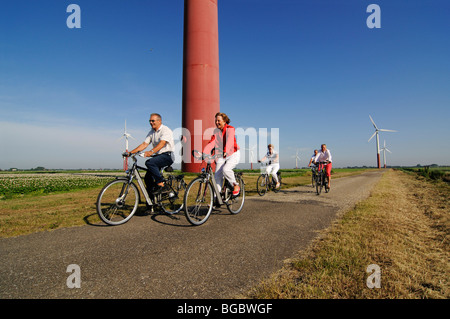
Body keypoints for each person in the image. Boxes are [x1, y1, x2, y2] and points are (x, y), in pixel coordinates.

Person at [126, 113, 174, 195]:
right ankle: (151, 202)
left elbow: (162, 143)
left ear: (159, 121)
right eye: (150, 121)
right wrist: (130, 152)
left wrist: (151, 152)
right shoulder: (151, 132)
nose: (151, 122)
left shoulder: (166, 130)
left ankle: (162, 184)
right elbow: (144, 144)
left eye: (153, 121)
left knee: (149, 162)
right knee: (148, 179)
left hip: (167, 155)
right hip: (158, 156)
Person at [203, 112, 241, 196]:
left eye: (218, 120)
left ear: (224, 121)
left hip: (233, 154)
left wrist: (226, 150)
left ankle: (236, 185)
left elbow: (230, 140)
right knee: (217, 176)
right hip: (222, 155)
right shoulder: (216, 132)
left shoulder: (230, 129)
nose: (216, 122)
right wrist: (204, 153)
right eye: (215, 121)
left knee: (226, 170)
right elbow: (212, 143)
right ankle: (216, 198)